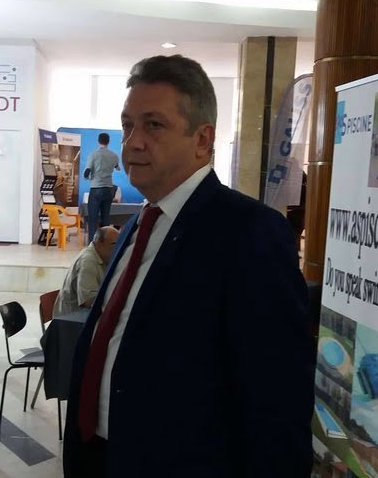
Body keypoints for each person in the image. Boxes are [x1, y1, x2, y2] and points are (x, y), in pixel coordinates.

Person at [63, 55, 313, 477]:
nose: (133, 142)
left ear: (202, 139)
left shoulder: (250, 232)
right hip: (103, 457)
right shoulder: (135, 226)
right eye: (128, 125)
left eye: (153, 125)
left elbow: (278, 400)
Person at [53, 226, 120, 317]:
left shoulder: (104, 257)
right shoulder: (87, 261)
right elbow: (89, 301)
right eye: (114, 244)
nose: (118, 248)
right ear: (99, 244)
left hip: (84, 315)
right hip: (70, 319)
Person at [83, 132, 121, 242]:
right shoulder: (114, 156)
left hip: (96, 189)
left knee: (93, 219)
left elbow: (87, 171)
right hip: (108, 189)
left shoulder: (93, 155)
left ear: (98, 141)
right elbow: (117, 167)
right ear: (108, 141)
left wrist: (87, 176)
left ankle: (92, 244)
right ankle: (105, 244)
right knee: (105, 218)